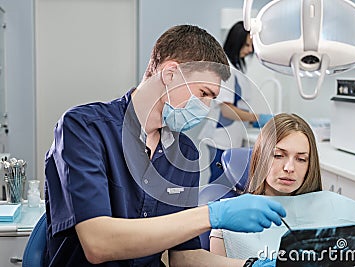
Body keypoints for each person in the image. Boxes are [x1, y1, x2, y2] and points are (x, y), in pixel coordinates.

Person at [44, 24, 287, 267]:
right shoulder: (85, 128)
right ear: (170, 73)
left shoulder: (185, 153)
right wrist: (211, 215)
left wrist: (251, 265)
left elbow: (184, 257)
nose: (205, 107)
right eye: (203, 93)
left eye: (212, 99)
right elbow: (98, 243)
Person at [210, 113, 323, 260]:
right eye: (278, 155)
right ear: (260, 157)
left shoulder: (325, 214)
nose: (289, 168)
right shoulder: (227, 223)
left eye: (301, 159)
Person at [198, 21, 272, 184]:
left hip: (229, 138)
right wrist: (256, 117)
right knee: (219, 187)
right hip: (221, 139)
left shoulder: (236, 68)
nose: (250, 50)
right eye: (246, 45)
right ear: (236, 41)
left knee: (226, 186)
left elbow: (238, 104)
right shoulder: (226, 69)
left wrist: (252, 121)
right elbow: (227, 110)